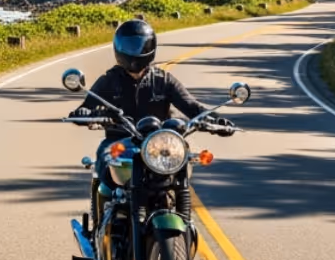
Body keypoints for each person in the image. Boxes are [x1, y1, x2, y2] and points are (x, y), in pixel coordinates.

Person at [70, 19, 233, 200]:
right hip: (120, 142)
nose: (134, 51)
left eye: (139, 45)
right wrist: (83, 113)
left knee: (182, 160)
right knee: (107, 170)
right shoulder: (109, 80)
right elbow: (87, 106)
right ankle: (106, 218)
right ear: (119, 48)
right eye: (130, 46)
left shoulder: (163, 80)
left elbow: (192, 106)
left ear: (150, 47)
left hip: (159, 144)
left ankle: (183, 216)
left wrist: (216, 120)